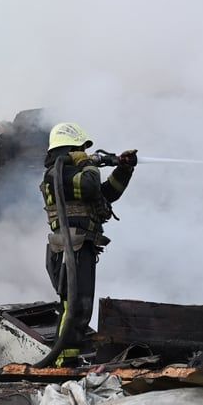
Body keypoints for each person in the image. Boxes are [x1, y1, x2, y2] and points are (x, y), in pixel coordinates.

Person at [39, 122, 137, 367]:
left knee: (80, 306)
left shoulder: (71, 172)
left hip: (80, 246)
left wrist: (123, 170)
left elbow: (105, 194)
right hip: (68, 249)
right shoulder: (57, 173)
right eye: (81, 148)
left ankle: (68, 358)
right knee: (72, 305)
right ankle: (63, 361)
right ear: (70, 149)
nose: (85, 152)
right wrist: (87, 162)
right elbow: (90, 184)